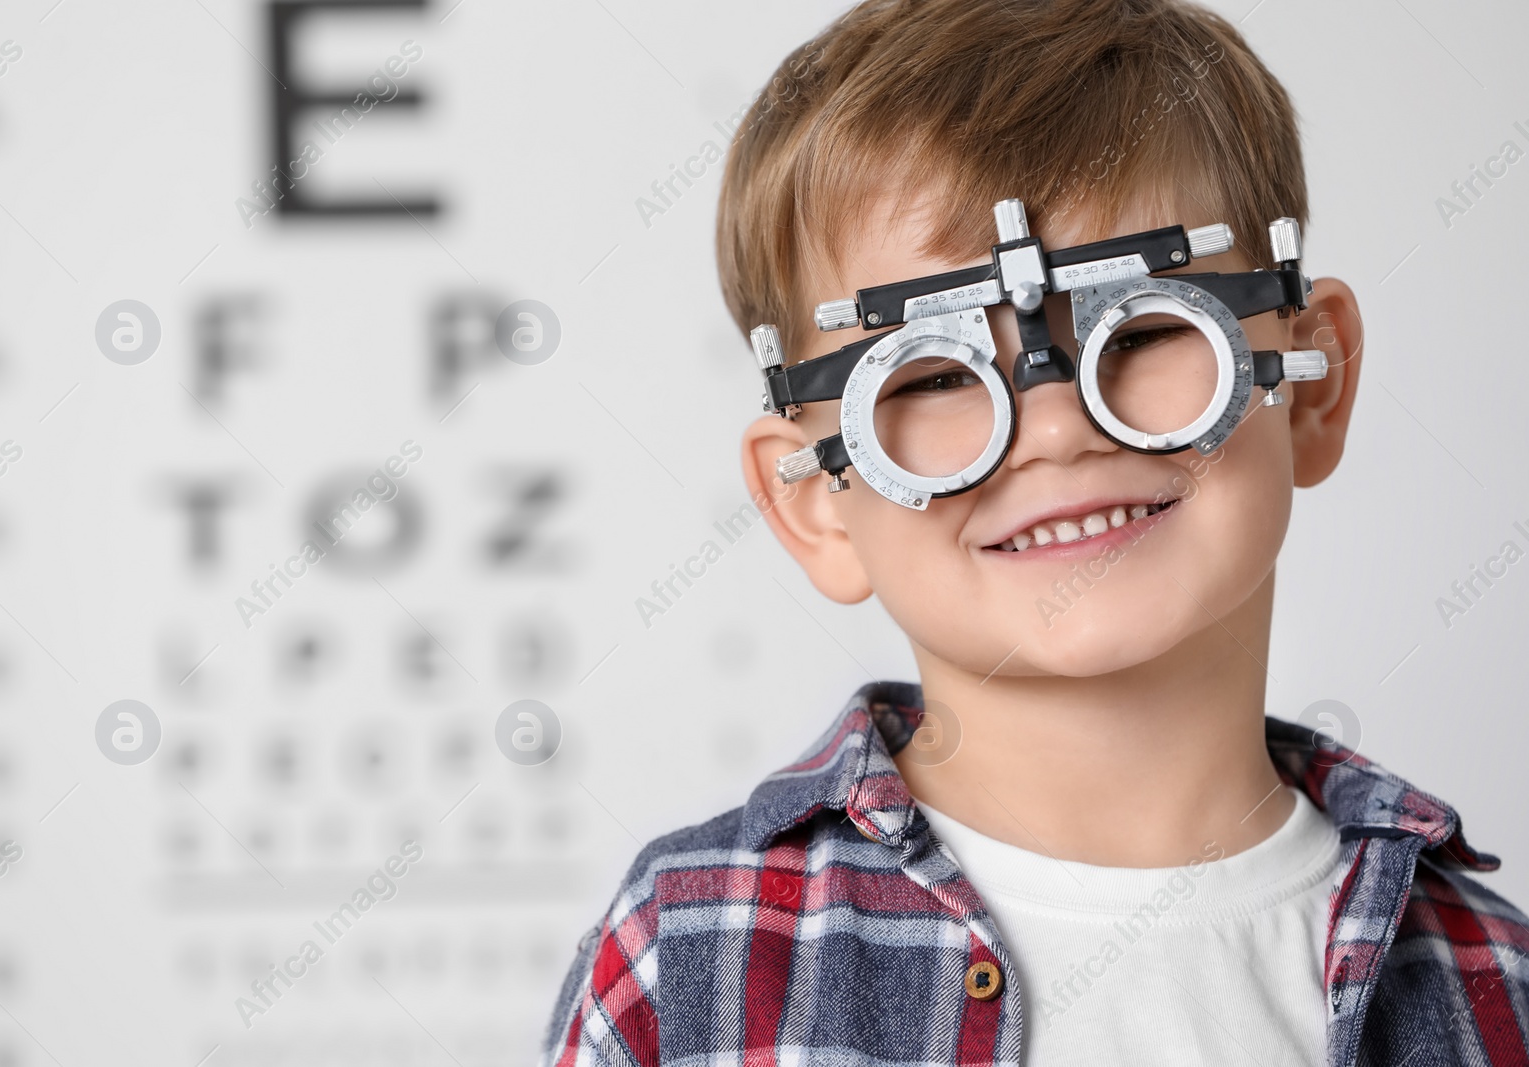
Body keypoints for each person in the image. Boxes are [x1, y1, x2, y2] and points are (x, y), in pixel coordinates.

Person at [541, 1, 1529, 1063]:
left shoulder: (1499, 986)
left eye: (1146, 328)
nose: (1054, 426)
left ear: (1315, 376)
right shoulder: (692, 962)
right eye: (929, 376)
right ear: (814, 502)